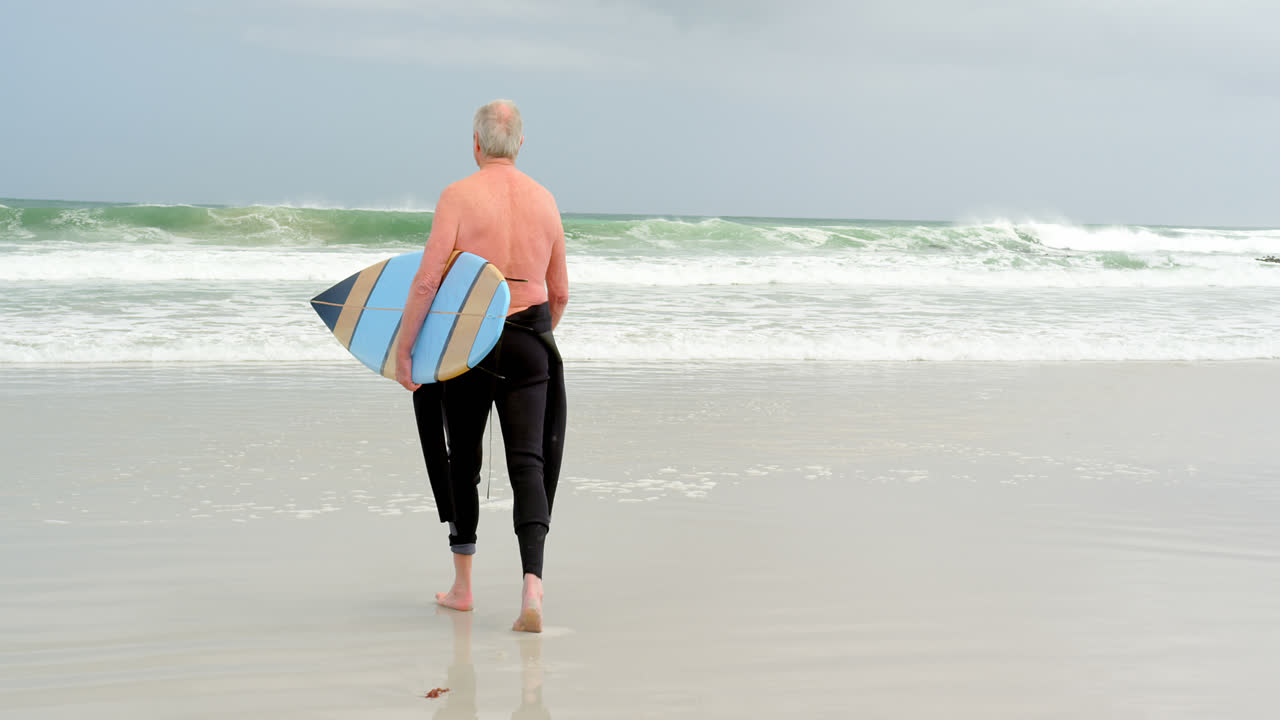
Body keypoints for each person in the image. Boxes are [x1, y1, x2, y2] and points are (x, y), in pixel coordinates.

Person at [396, 99, 569, 633]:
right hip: (529, 340)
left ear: (475, 144)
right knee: (528, 464)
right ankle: (532, 586)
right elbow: (560, 293)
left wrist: (405, 350)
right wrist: (531, 341)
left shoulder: (458, 196)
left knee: (462, 461)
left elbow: (427, 282)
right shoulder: (545, 201)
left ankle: (464, 588)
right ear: (520, 144)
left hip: (468, 343)